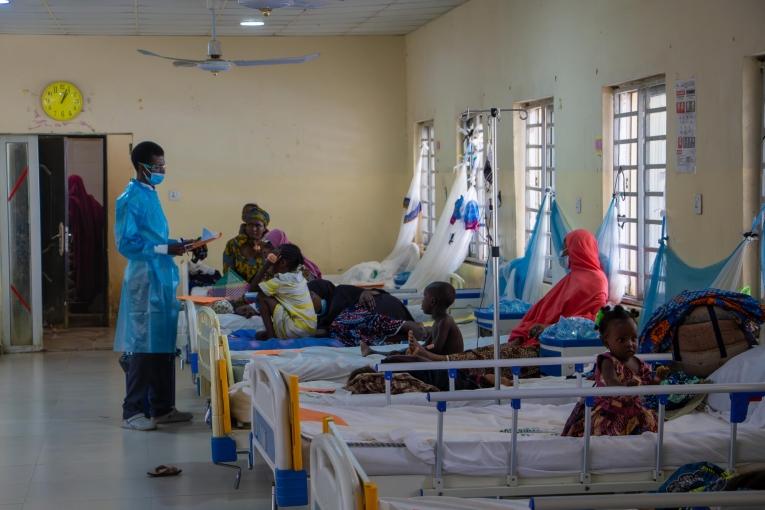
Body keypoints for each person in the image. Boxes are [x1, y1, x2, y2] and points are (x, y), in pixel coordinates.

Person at [114, 141, 197, 431]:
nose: (162, 170)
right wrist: (165, 249)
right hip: (144, 280)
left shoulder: (151, 194)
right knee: (142, 345)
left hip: (160, 279)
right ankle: (133, 411)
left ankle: (162, 407)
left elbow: (153, 236)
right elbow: (127, 243)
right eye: (157, 166)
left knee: (163, 344)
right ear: (141, 167)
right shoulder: (129, 198)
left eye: (164, 165)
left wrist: (177, 244)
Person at [561, 305, 668, 437]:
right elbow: (611, 381)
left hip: (633, 409)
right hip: (610, 411)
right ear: (606, 342)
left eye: (633, 338)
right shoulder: (608, 361)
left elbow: (647, 386)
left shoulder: (638, 363)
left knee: (649, 424)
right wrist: (624, 387)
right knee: (605, 429)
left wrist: (657, 379)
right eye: (622, 340)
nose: (630, 343)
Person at [361, 281, 463, 357]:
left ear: (432, 302)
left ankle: (379, 354)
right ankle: (374, 352)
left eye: (424, 297)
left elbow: (436, 348)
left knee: (402, 358)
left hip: (448, 366)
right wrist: (415, 347)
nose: (422, 301)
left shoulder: (445, 322)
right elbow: (429, 344)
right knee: (403, 352)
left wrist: (419, 348)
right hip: (437, 359)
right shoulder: (438, 321)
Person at [252, 243, 317, 340]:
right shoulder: (299, 275)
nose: (269, 259)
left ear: (282, 263)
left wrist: (267, 264)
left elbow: (252, 288)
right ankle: (277, 331)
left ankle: (271, 337)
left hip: (295, 330)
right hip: (310, 329)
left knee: (262, 296)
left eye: (273, 257)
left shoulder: (281, 280)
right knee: (272, 295)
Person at [222, 203, 270, 282]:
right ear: (246, 226)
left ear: (264, 228)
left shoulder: (270, 246)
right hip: (237, 291)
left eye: (258, 225)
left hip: (263, 292)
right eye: (250, 225)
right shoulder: (233, 245)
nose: (253, 229)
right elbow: (228, 274)